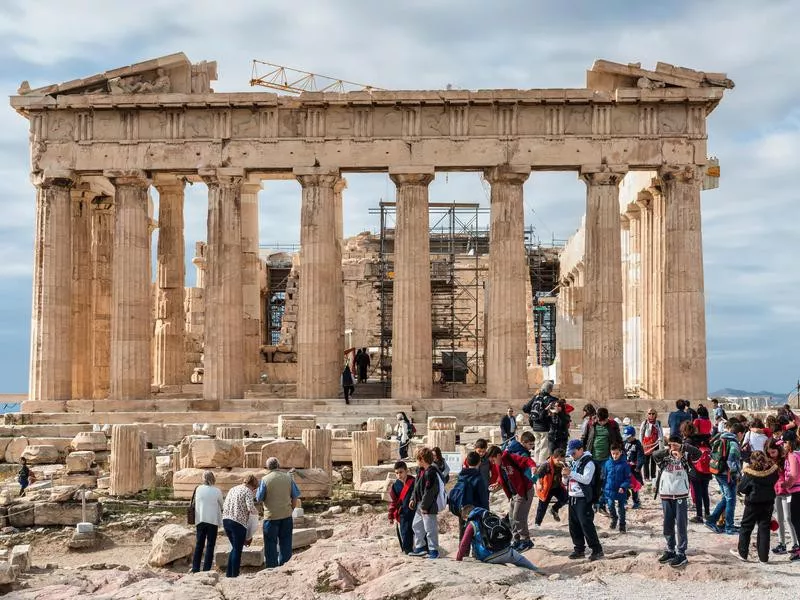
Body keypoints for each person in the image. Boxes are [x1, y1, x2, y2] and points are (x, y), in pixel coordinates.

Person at [653, 434, 700, 568]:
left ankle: (681, 552)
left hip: (680, 494)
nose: (672, 447)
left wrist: (682, 448)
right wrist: (669, 450)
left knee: (681, 524)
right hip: (666, 493)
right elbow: (654, 455)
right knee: (667, 523)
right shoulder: (664, 456)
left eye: (675, 445)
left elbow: (698, 453)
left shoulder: (686, 457)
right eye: (670, 444)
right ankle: (670, 549)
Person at [456, 506, 541, 572]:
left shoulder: (472, 524)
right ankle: (537, 571)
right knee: (520, 559)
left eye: (465, 519)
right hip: (506, 551)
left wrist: (458, 559)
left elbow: (464, 543)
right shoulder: (489, 515)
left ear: (467, 515)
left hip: (488, 556)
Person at [487, 444, 538, 551]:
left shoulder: (509, 457)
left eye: (493, 460)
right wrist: (498, 483)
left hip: (524, 491)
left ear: (498, 455)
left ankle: (526, 540)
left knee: (518, 516)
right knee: (511, 517)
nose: (492, 463)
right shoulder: (498, 464)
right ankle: (517, 540)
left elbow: (526, 460)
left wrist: (533, 467)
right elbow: (505, 477)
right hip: (513, 493)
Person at [730, 450, 778, 563]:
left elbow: (741, 488)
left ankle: (742, 553)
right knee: (764, 528)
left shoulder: (750, 473)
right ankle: (764, 558)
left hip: (753, 503)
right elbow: (775, 480)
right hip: (768, 502)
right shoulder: (772, 471)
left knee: (746, 527)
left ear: (752, 460)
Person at [255, 457, 301, 569]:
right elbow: (295, 496)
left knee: (270, 544)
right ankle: (285, 567)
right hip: (286, 515)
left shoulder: (265, 479)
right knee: (286, 542)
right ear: (278, 465)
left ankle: (272, 568)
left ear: (267, 467)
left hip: (270, 517)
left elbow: (259, 498)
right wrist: (291, 509)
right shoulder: (288, 478)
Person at [562, 439, 603, 561]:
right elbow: (566, 481)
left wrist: (571, 473)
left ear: (581, 450)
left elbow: (586, 479)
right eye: (570, 454)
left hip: (583, 499)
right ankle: (579, 549)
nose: (571, 456)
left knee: (586, 524)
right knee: (573, 525)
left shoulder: (589, 463)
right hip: (572, 497)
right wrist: (565, 476)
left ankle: (597, 549)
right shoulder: (574, 462)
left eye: (573, 453)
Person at [705, 420, 744, 535]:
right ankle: (728, 526)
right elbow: (731, 462)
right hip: (726, 475)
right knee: (731, 500)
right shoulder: (733, 443)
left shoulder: (721, 438)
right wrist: (737, 475)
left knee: (726, 498)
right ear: (740, 433)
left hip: (718, 472)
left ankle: (717, 521)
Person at [582, 407, 623, 513]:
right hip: (593, 458)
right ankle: (593, 503)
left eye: (605, 421)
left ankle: (601, 504)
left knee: (606, 481)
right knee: (593, 482)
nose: (602, 422)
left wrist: (621, 454)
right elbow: (584, 438)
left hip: (607, 459)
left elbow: (619, 440)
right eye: (601, 421)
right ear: (597, 418)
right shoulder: (590, 425)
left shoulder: (613, 425)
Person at [222, 474, 259, 578]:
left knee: (234, 548)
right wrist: (257, 514)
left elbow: (225, 505)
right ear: (253, 485)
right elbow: (250, 508)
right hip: (238, 523)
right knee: (237, 550)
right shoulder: (247, 491)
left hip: (226, 520)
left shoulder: (233, 489)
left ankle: (229, 574)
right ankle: (234, 575)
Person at [409, 447, 443, 559]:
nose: (416, 462)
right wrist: (413, 498)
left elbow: (430, 491)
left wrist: (424, 506)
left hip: (428, 506)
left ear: (422, 459)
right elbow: (416, 486)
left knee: (430, 529)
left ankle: (434, 551)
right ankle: (420, 548)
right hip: (419, 504)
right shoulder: (420, 470)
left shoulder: (431, 473)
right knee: (416, 525)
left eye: (417, 459)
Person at [768, 437, 799, 555]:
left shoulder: (786, 459)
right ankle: (782, 544)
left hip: (787, 492)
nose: (771, 455)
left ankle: (795, 544)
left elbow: (792, 475)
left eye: (773, 452)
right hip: (777, 493)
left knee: (788, 518)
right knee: (780, 519)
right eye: (769, 453)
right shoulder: (771, 461)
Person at [451, 451, 490, 540]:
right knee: (476, 532)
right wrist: (486, 512)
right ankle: (475, 553)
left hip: (463, 509)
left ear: (467, 462)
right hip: (475, 510)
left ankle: (463, 552)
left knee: (463, 532)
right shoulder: (478, 478)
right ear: (479, 462)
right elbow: (483, 498)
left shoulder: (461, 476)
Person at [191, 470, 224, 573]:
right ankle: (207, 568)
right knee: (210, 545)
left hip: (200, 519)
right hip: (212, 520)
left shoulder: (198, 489)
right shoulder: (217, 491)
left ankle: (195, 568)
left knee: (199, 544)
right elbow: (222, 505)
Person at [681, 420, 712, 523]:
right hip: (706, 470)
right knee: (705, 492)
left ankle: (699, 515)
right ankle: (707, 513)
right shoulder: (703, 439)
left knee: (697, 493)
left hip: (694, 470)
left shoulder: (688, 442)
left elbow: (684, 457)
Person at [523, 380, 557, 465]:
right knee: (544, 447)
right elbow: (556, 402)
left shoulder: (536, 397)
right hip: (544, 427)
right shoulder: (549, 399)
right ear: (550, 389)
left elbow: (525, 408)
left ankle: (535, 463)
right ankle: (541, 465)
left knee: (537, 446)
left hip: (535, 426)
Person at [533, 448, 568, 525]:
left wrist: (565, 475)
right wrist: (538, 484)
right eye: (558, 461)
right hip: (545, 488)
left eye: (562, 460)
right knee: (542, 507)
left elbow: (566, 479)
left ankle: (554, 509)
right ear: (553, 457)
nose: (560, 462)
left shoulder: (563, 464)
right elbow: (535, 476)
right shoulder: (546, 465)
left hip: (557, 486)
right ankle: (537, 524)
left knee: (565, 498)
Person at [388, 460, 416, 554]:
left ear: (406, 471)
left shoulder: (414, 482)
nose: (399, 475)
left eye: (401, 472)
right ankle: (407, 550)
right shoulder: (395, 486)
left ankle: (421, 548)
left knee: (417, 530)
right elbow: (394, 501)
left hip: (414, 511)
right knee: (404, 531)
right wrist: (391, 515)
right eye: (396, 473)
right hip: (403, 512)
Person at [603, 443, 631, 532]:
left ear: (620, 453)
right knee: (610, 505)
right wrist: (603, 488)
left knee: (621, 508)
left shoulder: (624, 464)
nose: (615, 456)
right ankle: (614, 519)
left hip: (621, 491)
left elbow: (627, 478)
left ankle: (622, 524)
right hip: (609, 490)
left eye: (617, 454)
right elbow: (604, 476)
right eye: (613, 454)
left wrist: (623, 487)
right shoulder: (607, 463)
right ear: (610, 453)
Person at [781, 430, 800, 561]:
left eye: (783, 443)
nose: (782, 446)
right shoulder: (797, 453)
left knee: (795, 520)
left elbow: (793, 474)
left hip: (797, 490)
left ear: (788, 443)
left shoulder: (793, 455)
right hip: (797, 490)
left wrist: (785, 485)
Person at [640, 409, 664, 483]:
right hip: (647, 445)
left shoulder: (658, 423)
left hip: (655, 444)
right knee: (646, 461)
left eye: (653, 413)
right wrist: (641, 444)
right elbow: (641, 434)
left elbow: (661, 433)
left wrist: (660, 443)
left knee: (654, 461)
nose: (651, 415)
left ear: (655, 414)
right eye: (649, 413)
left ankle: (653, 476)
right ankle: (646, 476)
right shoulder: (644, 423)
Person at [623, 426, 644, 509]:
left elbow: (641, 456)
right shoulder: (624, 443)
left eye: (629, 437)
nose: (627, 439)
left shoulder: (637, 444)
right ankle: (624, 500)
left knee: (634, 486)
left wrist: (638, 466)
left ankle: (636, 501)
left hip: (633, 469)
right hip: (625, 467)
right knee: (623, 484)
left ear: (633, 436)